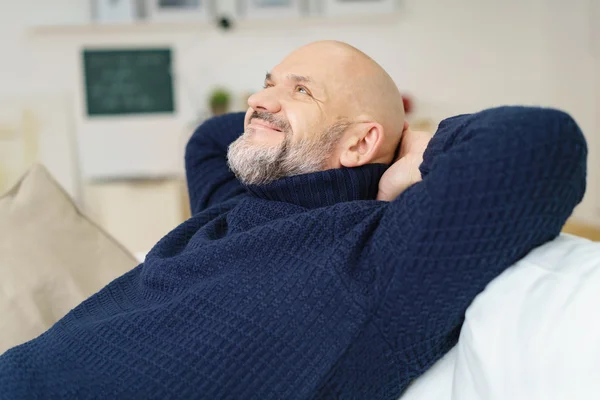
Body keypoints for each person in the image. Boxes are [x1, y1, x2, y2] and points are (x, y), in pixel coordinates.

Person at [0, 41, 587, 399]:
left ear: (361, 143)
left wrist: (420, 147)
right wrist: (290, 110)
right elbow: (210, 139)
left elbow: (542, 144)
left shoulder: (380, 253)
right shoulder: (238, 204)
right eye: (266, 82)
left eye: (301, 91)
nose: (260, 100)